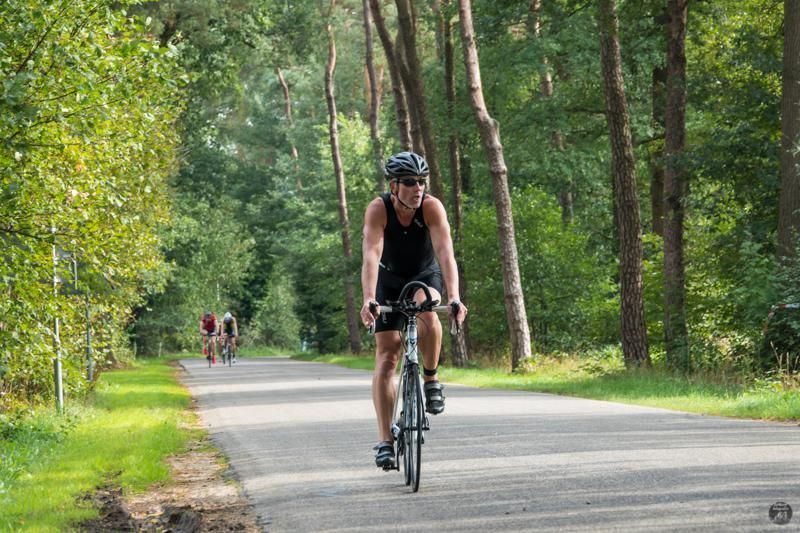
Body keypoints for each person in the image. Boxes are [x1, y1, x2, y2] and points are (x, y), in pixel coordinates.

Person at [360, 151, 468, 469]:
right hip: (388, 279)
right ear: (394, 186)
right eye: (409, 182)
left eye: (421, 182)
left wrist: (456, 296)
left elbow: (446, 253)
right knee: (388, 355)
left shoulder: (431, 207)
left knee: (428, 307)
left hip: (424, 274)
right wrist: (369, 298)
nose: (417, 188)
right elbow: (370, 254)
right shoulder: (379, 209)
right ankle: (384, 441)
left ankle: (431, 379)